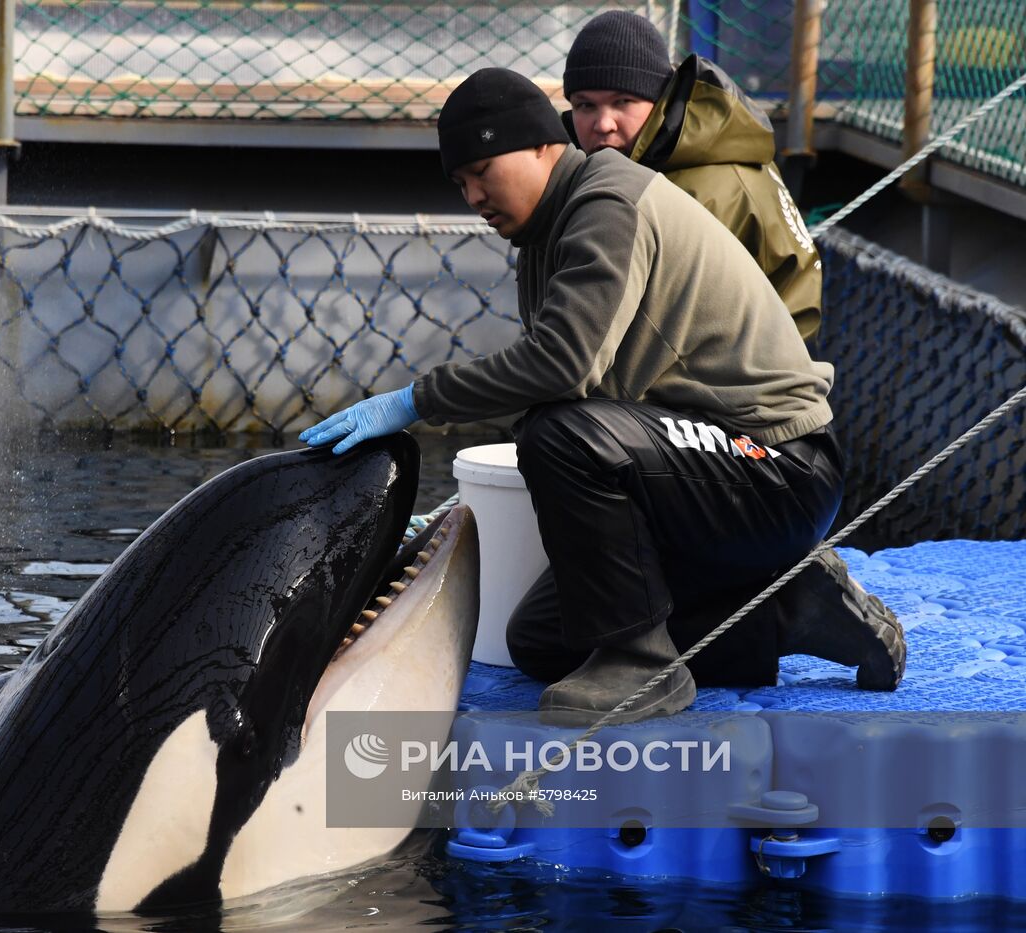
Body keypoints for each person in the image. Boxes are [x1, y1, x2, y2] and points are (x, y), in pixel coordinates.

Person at [299, 68, 904, 725]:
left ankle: (643, 666)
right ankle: (795, 612)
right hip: (700, 470)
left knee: (558, 430)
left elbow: (565, 365)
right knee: (540, 641)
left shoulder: (606, 201)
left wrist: (416, 399)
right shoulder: (544, 233)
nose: (472, 194)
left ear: (539, 145)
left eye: (481, 169)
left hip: (779, 469)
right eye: (459, 182)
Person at [561, 11, 822, 339]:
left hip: (741, 377)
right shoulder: (614, 171)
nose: (603, 124)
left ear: (659, 101)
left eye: (623, 102)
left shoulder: (707, 188)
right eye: (585, 106)